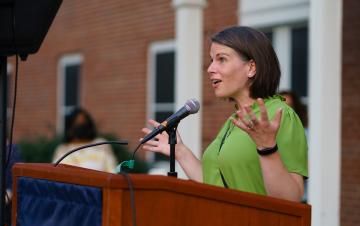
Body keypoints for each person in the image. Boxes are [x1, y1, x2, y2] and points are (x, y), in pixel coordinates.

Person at [141, 26, 308, 202]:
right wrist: (180, 151)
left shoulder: (280, 114)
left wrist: (268, 148)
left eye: (221, 59)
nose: (210, 68)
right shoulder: (234, 121)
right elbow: (214, 186)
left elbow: (291, 198)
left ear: (251, 68)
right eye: (212, 60)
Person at [52, 107, 117, 173]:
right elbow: (56, 174)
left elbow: (112, 173)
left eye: (83, 124)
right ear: (69, 129)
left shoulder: (101, 145)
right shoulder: (62, 149)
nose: (80, 128)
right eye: (77, 124)